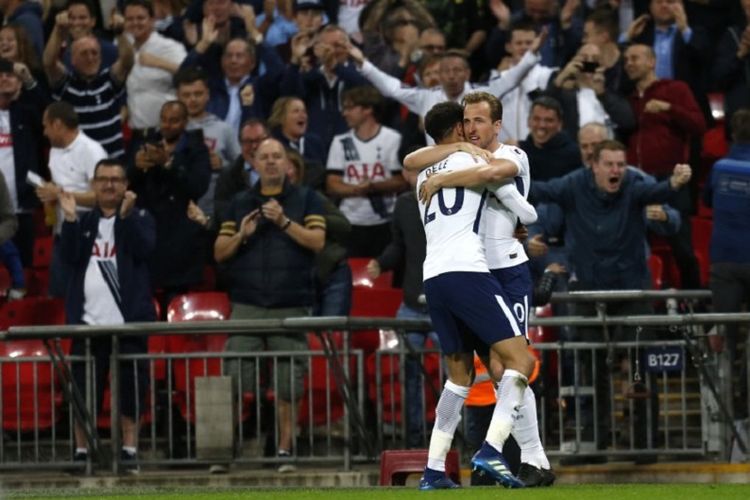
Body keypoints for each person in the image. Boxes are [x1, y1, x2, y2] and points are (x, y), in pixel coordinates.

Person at [405, 91, 552, 487]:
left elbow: (412, 162)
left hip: (488, 271)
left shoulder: (511, 155)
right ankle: (493, 451)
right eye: (466, 122)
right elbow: (528, 211)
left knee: (472, 374)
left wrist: (441, 177)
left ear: (496, 125)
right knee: (515, 363)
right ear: (457, 128)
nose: (472, 128)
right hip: (472, 272)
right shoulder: (473, 157)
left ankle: (440, 468)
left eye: (479, 121)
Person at [530, 140, 692, 458]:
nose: (616, 170)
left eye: (621, 164)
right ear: (594, 165)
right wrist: (507, 176)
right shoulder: (573, 183)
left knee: (639, 368)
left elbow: (664, 202)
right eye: (610, 164)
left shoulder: (635, 182)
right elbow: (540, 193)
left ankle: (643, 444)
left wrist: (672, 189)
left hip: (632, 290)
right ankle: (594, 443)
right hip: (587, 291)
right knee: (590, 368)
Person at [214, 138, 325, 473]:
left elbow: (317, 242)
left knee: (289, 383)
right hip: (246, 303)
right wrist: (242, 235)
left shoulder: (306, 198)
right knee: (233, 378)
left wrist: (284, 222)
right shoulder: (239, 203)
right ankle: (223, 454)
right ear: (254, 162)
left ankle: (285, 451)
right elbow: (219, 252)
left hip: (291, 304)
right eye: (265, 157)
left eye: (278, 156)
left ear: (287, 162)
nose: (272, 162)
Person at [59, 157, 156, 474]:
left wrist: (126, 219)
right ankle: (81, 451)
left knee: (130, 391)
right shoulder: (84, 223)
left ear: (126, 185)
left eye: (116, 178)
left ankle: (128, 451)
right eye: (103, 179)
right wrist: (70, 220)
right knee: (83, 393)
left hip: (128, 325)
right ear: (94, 184)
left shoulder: (140, 218)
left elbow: (144, 249)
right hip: (87, 326)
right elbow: (69, 258)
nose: (110, 184)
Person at [348, 36, 544, 144]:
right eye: (446, 71)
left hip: (477, 169)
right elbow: (392, 88)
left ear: (467, 73)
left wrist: (531, 53)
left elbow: (512, 77)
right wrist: (363, 64)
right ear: (439, 75)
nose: (451, 76)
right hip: (439, 170)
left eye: (457, 70)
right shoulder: (425, 97)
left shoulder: (482, 93)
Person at [367, 167, 438, 448]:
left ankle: (461, 436)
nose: (416, 175)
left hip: (445, 300)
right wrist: (382, 262)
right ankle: (415, 438)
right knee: (408, 372)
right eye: (410, 170)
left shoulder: (450, 199)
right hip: (412, 301)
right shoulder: (405, 204)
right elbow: (399, 246)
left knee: (457, 372)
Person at [624, 43, 705, 288]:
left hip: (672, 179)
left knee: (682, 248)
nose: (629, 63)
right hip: (637, 181)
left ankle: (696, 305)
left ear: (652, 62)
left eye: (635, 58)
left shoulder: (675, 89)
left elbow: (699, 124)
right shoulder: (628, 100)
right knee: (633, 249)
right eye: (626, 59)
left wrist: (669, 108)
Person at [127, 100, 210, 307]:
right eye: (163, 120)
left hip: (181, 240)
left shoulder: (197, 149)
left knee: (178, 306)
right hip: (149, 236)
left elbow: (197, 186)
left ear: (184, 122)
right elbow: (125, 183)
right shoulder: (143, 143)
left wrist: (169, 164)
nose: (167, 125)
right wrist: (136, 167)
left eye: (173, 121)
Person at [703, 108, 750, 424]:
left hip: (724, 261)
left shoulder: (720, 168)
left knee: (724, 337)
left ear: (731, 134)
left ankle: (725, 411)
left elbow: (706, 200)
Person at [326, 86, 407, 258]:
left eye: (349, 108)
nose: (344, 113)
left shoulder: (392, 139)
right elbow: (332, 184)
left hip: (384, 223)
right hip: (349, 223)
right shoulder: (341, 141)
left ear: (367, 109)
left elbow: (402, 181)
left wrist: (373, 186)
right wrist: (357, 189)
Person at [44, 11, 134, 158]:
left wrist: (120, 33)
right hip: (79, 167)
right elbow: (49, 63)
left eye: (94, 53)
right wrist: (58, 30)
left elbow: (128, 61)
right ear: (72, 59)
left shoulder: (109, 80)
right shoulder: (66, 85)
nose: (90, 58)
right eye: (84, 53)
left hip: (112, 164)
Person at [38, 101, 106, 298]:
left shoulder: (92, 151)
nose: (44, 132)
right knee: (59, 296)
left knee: (87, 298)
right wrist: (49, 195)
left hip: (89, 235)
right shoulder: (54, 150)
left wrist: (59, 194)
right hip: (62, 233)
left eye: (46, 126)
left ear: (57, 124)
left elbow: (100, 198)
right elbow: (59, 189)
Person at [279, 24, 368, 151]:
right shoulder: (310, 77)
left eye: (337, 46)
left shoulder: (359, 73)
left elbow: (365, 92)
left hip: (352, 146)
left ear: (349, 47)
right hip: (315, 148)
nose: (331, 51)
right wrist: (294, 60)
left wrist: (335, 66)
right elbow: (288, 97)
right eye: (326, 47)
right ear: (316, 50)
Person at [175, 66, 240, 219]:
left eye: (198, 94)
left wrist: (222, 164)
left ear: (208, 95)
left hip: (214, 211)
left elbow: (241, 169)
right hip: (178, 211)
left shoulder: (224, 129)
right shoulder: (170, 129)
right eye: (187, 95)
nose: (193, 99)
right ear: (177, 96)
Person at [0, 56, 45, 267]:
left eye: (9, 75)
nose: (4, 79)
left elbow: (50, 113)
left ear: (18, 83)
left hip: (22, 207)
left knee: (24, 270)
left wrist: (28, 79)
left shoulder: (28, 114)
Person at [546, 43, 635, 141]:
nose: (589, 62)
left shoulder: (614, 92)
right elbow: (544, 108)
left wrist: (602, 94)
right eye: (584, 59)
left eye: (595, 59)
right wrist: (562, 77)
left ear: (602, 64)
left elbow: (628, 122)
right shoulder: (564, 95)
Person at [124, 0, 187, 136]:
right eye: (130, 19)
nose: (135, 23)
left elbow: (189, 75)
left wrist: (159, 62)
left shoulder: (170, 47)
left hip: (166, 132)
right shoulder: (123, 47)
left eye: (140, 18)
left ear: (152, 20)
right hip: (136, 133)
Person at [214, 118, 269, 223]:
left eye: (258, 140)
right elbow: (223, 214)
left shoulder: (284, 170)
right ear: (240, 144)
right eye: (248, 141)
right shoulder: (228, 176)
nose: (254, 146)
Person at [520, 96, 581, 182]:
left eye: (549, 120)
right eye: (536, 119)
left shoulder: (574, 154)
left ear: (559, 124)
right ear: (529, 121)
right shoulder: (518, 152)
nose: (542, 125)